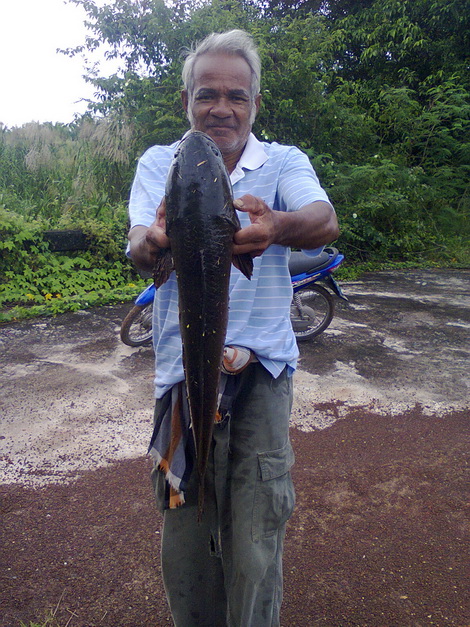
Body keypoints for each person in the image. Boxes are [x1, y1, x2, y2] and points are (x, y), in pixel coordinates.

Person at [127, 29, 339, 627]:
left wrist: (276, 227)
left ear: (254, 104)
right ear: (187, 101)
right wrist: (154, 243)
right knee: (184, 527)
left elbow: (324, 220)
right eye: (206, 94)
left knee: (254, 533)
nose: (221, 107)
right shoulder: (160, 162)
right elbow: (141, 245)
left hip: (262, 376)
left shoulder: (284, 162)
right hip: (180, 376)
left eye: (236, 96)